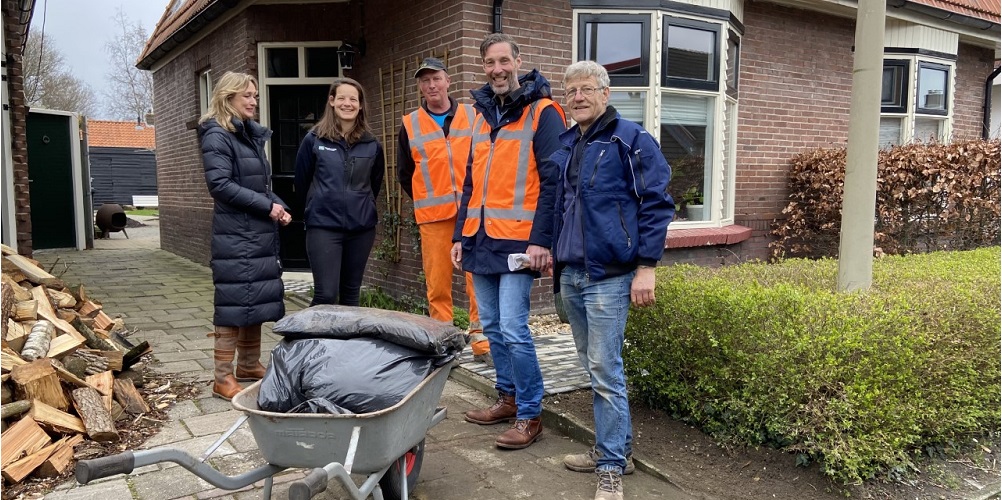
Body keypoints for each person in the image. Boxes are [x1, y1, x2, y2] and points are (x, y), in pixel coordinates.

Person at [551, 61, 674, 500]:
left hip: (610, 276)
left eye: (587, 89)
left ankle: (610, 467)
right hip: (572, 274)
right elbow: (565, 207)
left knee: (605, 369)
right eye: (571, 91)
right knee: (593, 366)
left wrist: (647, 267)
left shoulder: (631, 139)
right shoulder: (572, 144)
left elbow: (656, 204)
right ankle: (615, 450)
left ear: (606, 93)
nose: (578, 97)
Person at [451, 33, 566, 449]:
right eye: (489, 63)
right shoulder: (482, 116)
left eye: (504, 60)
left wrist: (543, 241)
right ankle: (508, 397)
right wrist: (460, 234)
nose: (497, 69)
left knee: (516, 329)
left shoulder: (544, 113)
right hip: (481, 241)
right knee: (493, 326)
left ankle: (531, 415)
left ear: (518, 61)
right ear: (483, 67)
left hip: (520, 243)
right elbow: (470, 182)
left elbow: (555, 182)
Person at [197, 71, 292, 401]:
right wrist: (268, 208)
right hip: (235, 236)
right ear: (227, 98)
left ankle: (249, 365)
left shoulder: (246, 136)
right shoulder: (217, 135)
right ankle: (222, 378)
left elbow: (260, 186)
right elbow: (220, 186)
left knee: (253, 299)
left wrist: (279, 205)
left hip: (256, 234)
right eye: (246, 96)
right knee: (233, 303)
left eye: (255, 95)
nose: (253, 101)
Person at [398, 57, 491, 365]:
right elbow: (404, 172)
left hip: (471, 213)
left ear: (448, 81)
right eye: (425, 81)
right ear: (420, 87)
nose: (431, 85)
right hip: (434, 218)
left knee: (477, 277)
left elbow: (485, 158)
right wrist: (429, 197)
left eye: (436, 78)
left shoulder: (473, 114)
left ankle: (481, 338)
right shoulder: (410, 123)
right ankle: (445, 342)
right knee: (437, 283)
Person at [295, 78, 385, 306]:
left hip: (361, 228)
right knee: (326, 295)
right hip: (323, 226)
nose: (348, 103)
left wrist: (361, 205)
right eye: (342, 98)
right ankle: (316, 341)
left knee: (351, 296)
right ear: (332, 101)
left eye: (353, 99)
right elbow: (302, 182)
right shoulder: (314, 140)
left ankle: (346, 342)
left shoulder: (372, 144)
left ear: (361, 105)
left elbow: (374, 184)